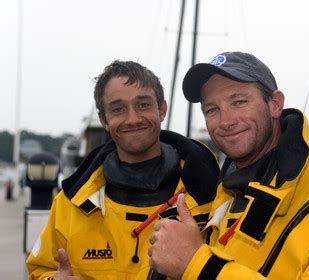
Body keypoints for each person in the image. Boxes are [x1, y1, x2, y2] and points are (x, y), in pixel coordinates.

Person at [148, 51, 309, 279]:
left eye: (239, 102)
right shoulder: (227, 197)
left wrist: (198, 265)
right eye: (212, 109)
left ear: (275, 104)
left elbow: (200, 267)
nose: (226, 121)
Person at [26, 60, 220, 279]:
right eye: (118, 109)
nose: (132, 119)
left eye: (143, 105)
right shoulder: (70, 203)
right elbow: (38, 270)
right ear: (104, 120)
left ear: (162, 109)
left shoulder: (211, 197)